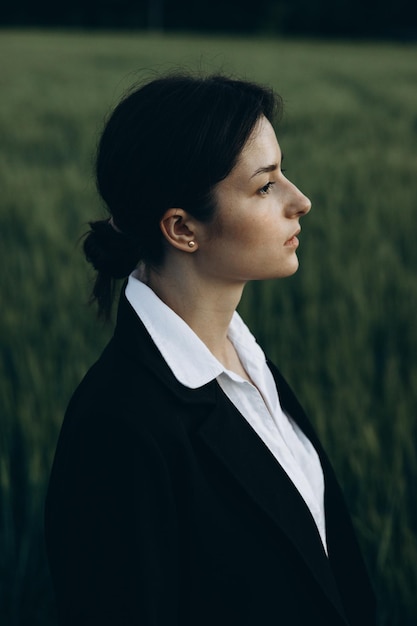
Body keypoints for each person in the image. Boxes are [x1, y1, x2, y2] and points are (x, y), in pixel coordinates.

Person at [45, 73, 376, 626]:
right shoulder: (118, 426)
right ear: (181, 228)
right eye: (265, 186)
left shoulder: (249, 365)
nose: (302, 201)